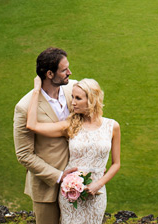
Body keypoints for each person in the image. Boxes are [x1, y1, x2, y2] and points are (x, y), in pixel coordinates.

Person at [25, 76, 121, 224]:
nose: (73, 102)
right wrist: (36, 91)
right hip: (71, 193)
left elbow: (116, 164)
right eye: (72, 97)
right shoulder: (70, 125)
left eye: (78, 98)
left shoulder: (112, 126)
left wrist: (98, 184)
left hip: (97, 193)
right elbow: (32, 126)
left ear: (92, 99)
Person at [14, 48, 77, 224]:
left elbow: (94, 122)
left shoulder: (75, 89)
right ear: (49, 74)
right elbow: (24, 155)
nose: (69, 73)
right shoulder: (24, 107)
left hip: (80, 181)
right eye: (64, 70)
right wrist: (59, 176)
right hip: (47, 189)